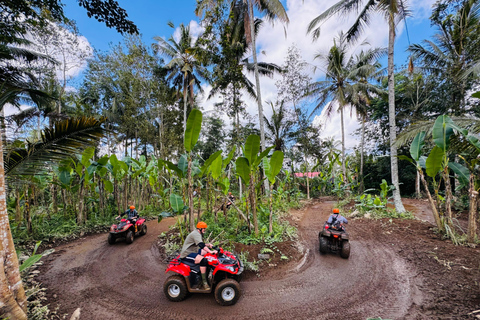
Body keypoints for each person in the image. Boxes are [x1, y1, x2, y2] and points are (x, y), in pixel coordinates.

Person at [179, 221, 217, 290]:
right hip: (187, 253)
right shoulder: (196, 234)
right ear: (200, 229)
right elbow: (201, 245)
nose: (205, 230)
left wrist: (209, 245)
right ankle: (204, 282)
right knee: (203, 260)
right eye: (204, 229)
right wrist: (211, 251)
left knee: (206, 252)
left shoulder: (197, 233)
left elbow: (201, 244)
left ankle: (207, 270)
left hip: (193, 251)